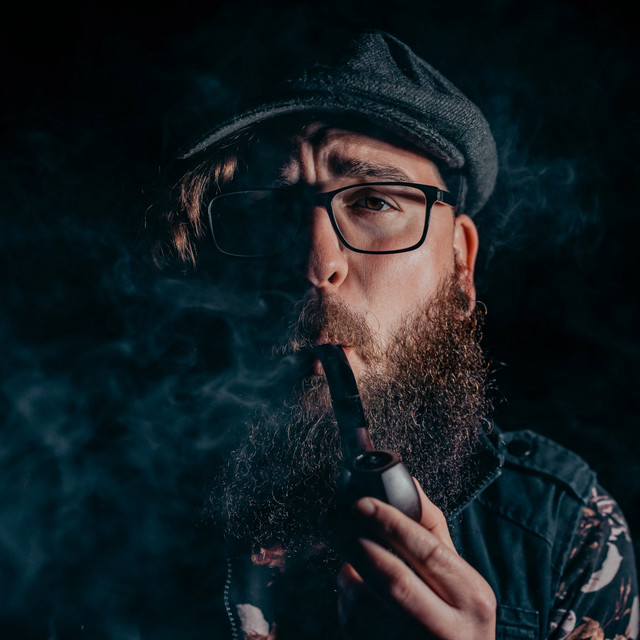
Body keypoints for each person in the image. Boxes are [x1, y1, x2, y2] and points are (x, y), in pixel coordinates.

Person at [155, 30, 638, 640]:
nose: (316, 263)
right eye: (269, 208)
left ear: (460, 265)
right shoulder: (105, 505)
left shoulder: (565, 527)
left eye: (375, 202)